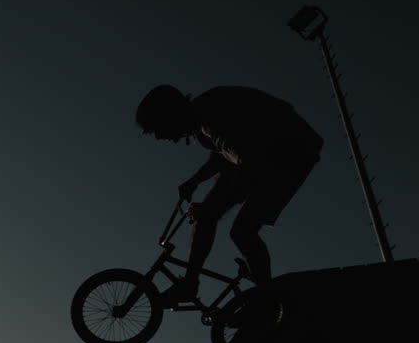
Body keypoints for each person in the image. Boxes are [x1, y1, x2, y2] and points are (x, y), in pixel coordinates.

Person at [136, 84, 323, 307]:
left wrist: (210, 205)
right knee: (207, 215)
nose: (159, 138)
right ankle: (190, 283)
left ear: (169, 115)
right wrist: (194, 181)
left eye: (157, 130)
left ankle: (267, 301)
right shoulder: (203, 120)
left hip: (291, 152)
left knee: (243, 231)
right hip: (265, 151)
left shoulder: (212, 119)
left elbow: (249, 162)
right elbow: (224, 154)